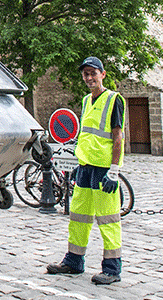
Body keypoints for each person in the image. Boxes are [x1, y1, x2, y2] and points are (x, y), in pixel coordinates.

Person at [47, 56, 126, 285]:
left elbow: (117, 136)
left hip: (103, 170)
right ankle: (74, 261)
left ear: (102, 73)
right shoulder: (85, 101)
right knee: (78, 217)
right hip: (85, 167)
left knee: (108, 220)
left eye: (93, 73)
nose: (89, 77)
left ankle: (112, 269)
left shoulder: (114, 100)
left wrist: (114, 170)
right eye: (86, 74)